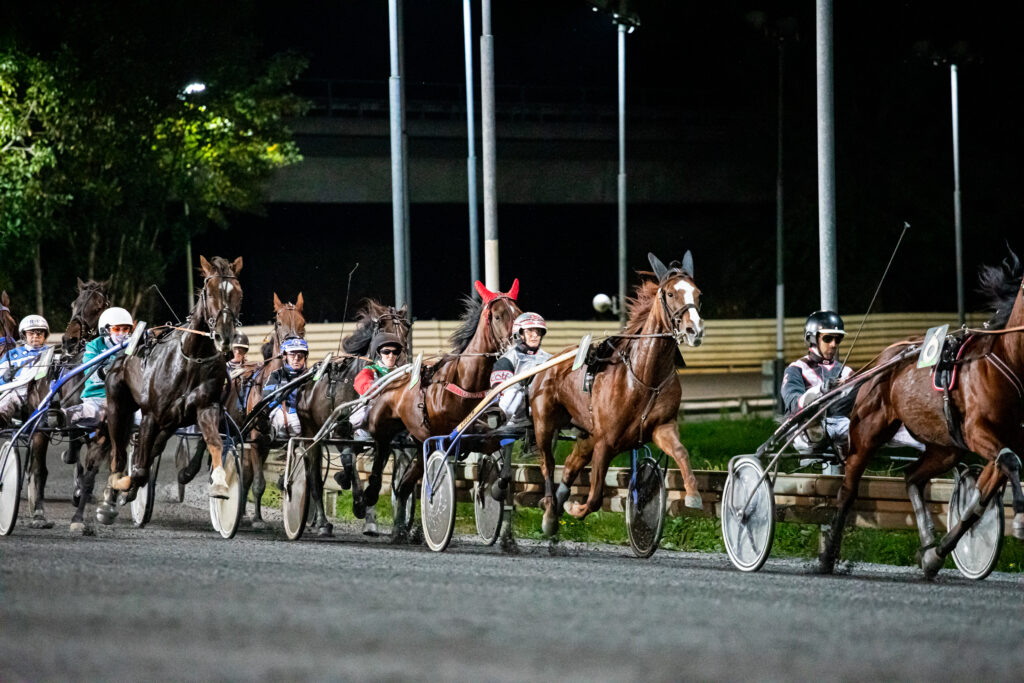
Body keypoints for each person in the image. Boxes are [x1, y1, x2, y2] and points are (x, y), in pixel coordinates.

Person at [781, 310, 922, 453]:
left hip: (843, 425)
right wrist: (820, 390)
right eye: (828, 338)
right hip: (804, 429)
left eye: (838, 339)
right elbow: (793, 402)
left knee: (875, 391)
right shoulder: (796, 369)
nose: (833, 344)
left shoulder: (845, 371)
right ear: (812, 338)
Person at [333, 331, 405, 536]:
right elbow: (362, 385)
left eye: (395, 352)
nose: (391, 355)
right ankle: (346, 472)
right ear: (378, 354)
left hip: (393, 427)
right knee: (356, 418)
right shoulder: (369, 371)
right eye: (386, 352)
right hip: (365, 426)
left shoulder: (403, 373)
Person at [62, 307, 134, 430]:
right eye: (117, 329)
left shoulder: (134, 345)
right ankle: (61, 415)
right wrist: (113, 370)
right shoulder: (93, 346)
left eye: (125, 329)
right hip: (98, 397)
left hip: (127, 401)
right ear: (106, 330)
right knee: (82, 413)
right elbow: (93, 375)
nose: (121, 333)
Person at [489, 312, 551, 428]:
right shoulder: (507, 358)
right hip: (515, 414)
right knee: (515, 391)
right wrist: (521, 383)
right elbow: (498, 389)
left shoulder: (549, 359)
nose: (535, 335)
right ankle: (499, 419)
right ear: (519, 334)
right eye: (530, 331)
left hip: (543, 405)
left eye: (538, 331)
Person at [0, 314, 52, 426]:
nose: (35, 336)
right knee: (8, 397)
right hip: (15, 395)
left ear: (45, 335)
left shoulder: (52, 354)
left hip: (42, 397)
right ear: (24, 335)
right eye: (31, 333)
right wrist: (4, 378)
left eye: (39, 332)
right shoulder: (11, 355)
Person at [263, 337, 309, 440]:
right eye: (292, 355)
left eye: (300, 355)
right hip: (282, 417)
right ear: (285, 356)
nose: (296, 358)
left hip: (304, 418)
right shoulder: (276, 375)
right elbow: (266, 399)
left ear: (305, 357)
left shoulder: (311, 375)